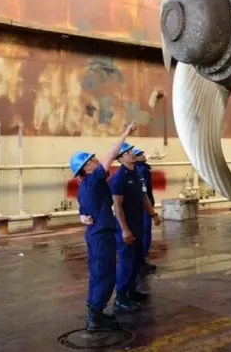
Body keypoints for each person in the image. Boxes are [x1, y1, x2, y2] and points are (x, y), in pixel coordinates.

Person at [70, 121, 137, 332]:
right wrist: (125, 133)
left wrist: (83, 217)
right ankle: (95, 317)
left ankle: (95, 311)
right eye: (91, 160)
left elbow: (85, 209)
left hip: (94, 232)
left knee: (98, 272)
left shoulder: (85, 187)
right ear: (86, 168)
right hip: (101, 235)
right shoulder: (94, 179)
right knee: (105, 273)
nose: (95, 160)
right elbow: (110, 157)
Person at [109, 142, 162, 312]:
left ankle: (131, 292)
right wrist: (124, 229)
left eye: (132, 151)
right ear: (120, 158)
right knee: (126, 262)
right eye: (128, 152)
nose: (132, 154)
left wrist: (153, 214)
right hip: (127, 227)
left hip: (138, 224)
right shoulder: (119, 178)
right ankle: (121, 298)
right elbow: (117, 206)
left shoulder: (137, 173)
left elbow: (144, 196)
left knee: (135, 261)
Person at [133, 147, 157, 275]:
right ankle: (141, 260)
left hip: (143, 205)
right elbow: (144, 193)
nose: (142, 155)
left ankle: (140, 259)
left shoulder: (142, 168)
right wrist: (152, 210)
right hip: (143, 206)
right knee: (145, 230)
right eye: (139, 154)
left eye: (142, 153)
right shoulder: (141, 170)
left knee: (143, 231)